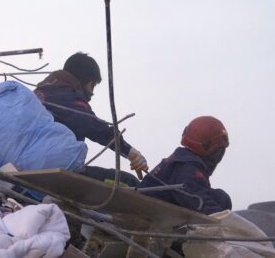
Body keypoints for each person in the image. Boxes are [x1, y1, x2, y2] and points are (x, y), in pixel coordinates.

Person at [35, 52, 149, 181]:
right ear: (84, 80)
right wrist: (129, 151)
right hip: (54, 171)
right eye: (92, 85)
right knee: (128, 182)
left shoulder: (39, 94)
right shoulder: (70, 100)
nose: (92, 92)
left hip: (30, 164)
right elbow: (96, 128)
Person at [138, 116, 232, 214]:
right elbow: (200, 203)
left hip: (154, 209)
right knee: (221, 199)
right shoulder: (187, 168)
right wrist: (228, 222)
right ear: (212, 151)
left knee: (219, 196)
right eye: (219, 151)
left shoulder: (181, 159)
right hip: (147, 214)